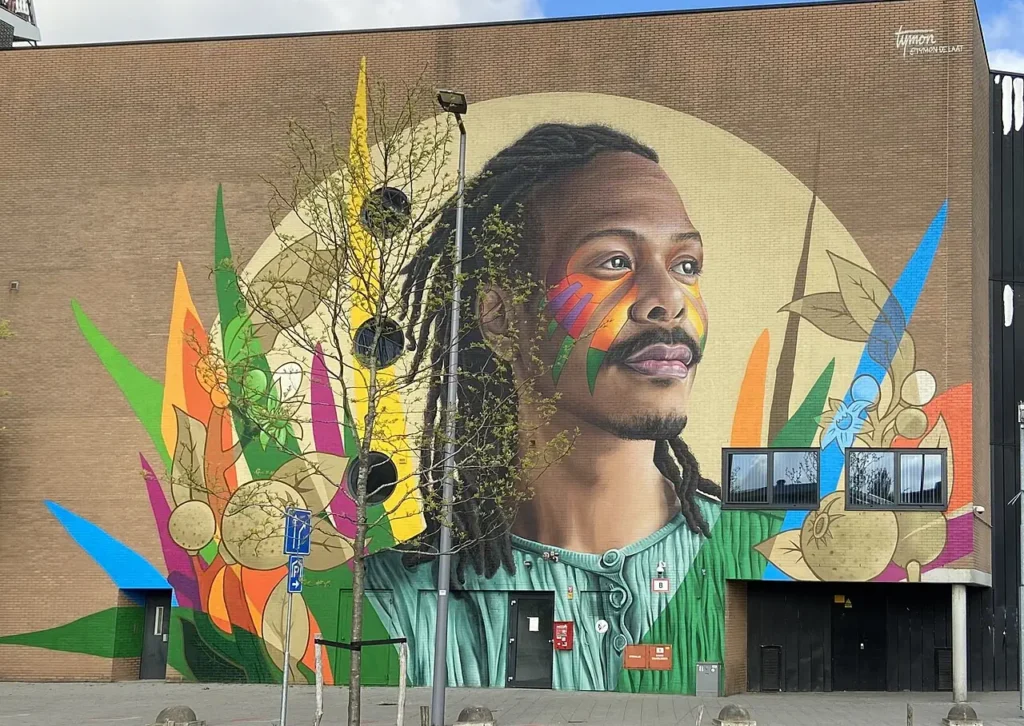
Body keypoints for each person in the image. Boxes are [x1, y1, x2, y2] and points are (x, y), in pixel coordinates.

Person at [365, 123, 720, 691]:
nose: (668, 300)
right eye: (613, 262)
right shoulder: (398, 601)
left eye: (686, 265)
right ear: (502, 319)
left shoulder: (754, 555)